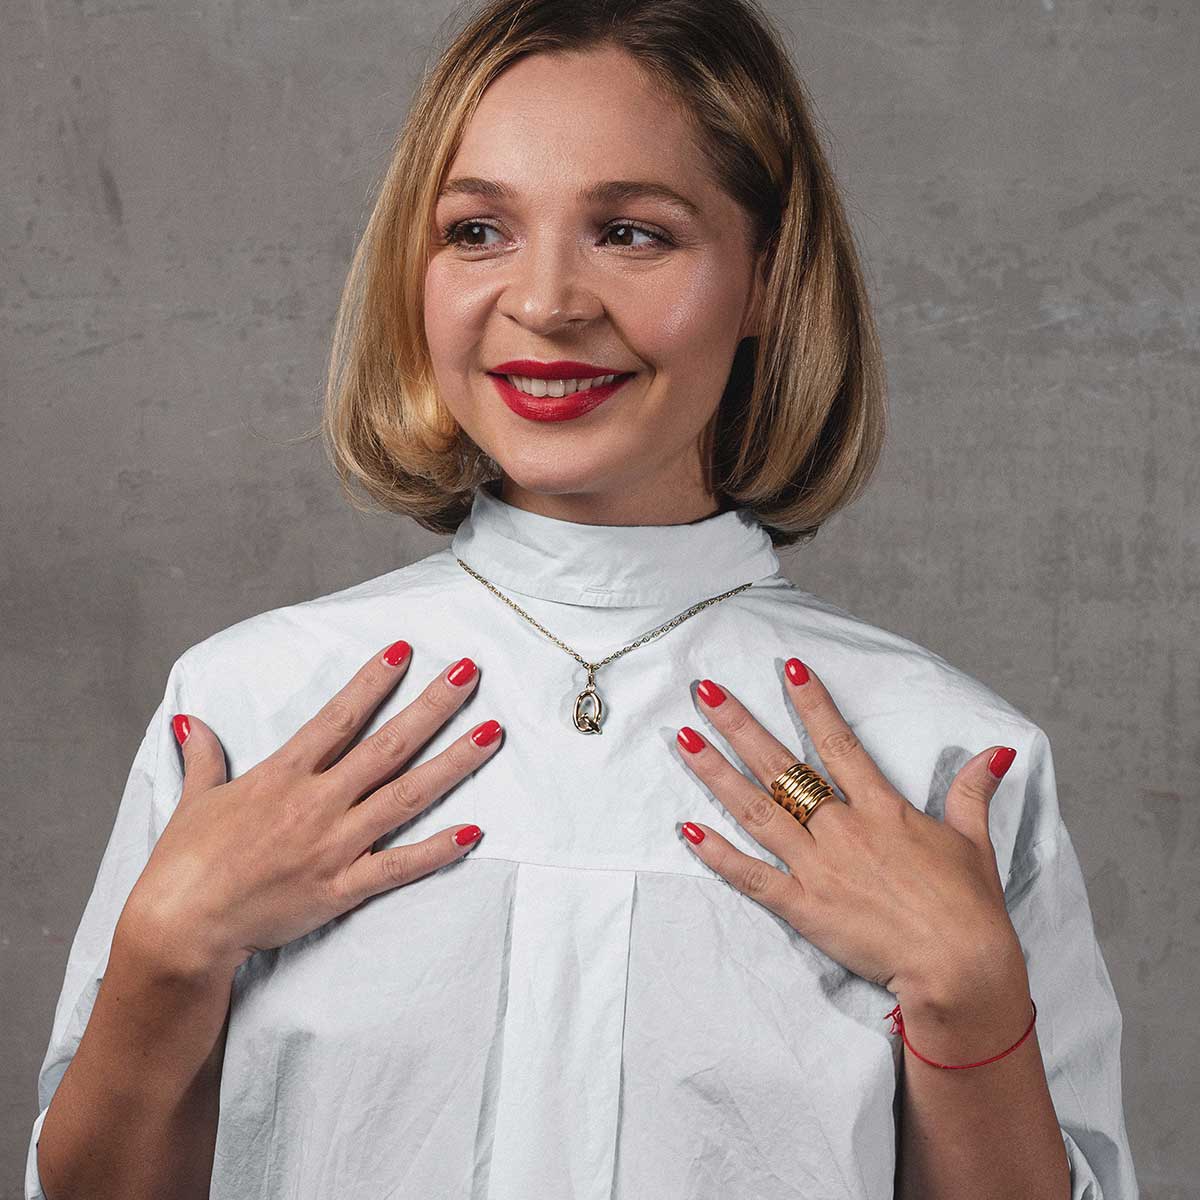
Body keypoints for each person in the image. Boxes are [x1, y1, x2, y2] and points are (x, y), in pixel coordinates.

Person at [26, 1, 1140, 1197]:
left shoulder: (940, 758)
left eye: (630, 233)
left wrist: (969, 1000)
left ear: (766, 280)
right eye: (478, 231)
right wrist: (165, 958)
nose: (547, 301)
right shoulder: (247, 710)